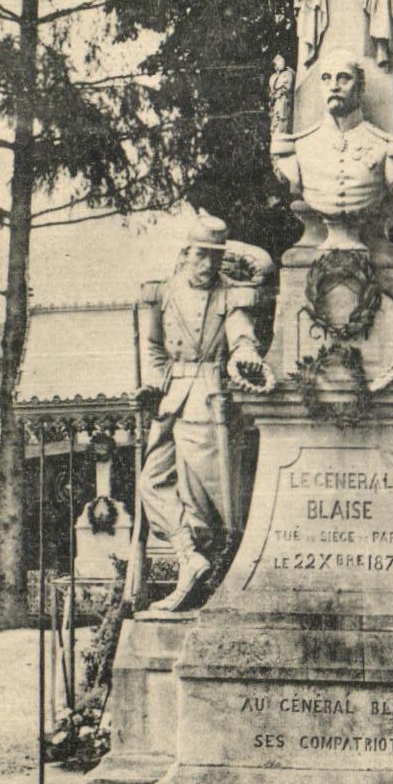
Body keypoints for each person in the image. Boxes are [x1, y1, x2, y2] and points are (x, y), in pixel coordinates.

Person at [137, 214, 272, 612]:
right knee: (151, 481)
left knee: (201, 498)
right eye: (201, 256)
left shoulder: (230, 295)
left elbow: (241, 336)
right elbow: (152, 347)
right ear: (184, 254)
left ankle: (194, 576)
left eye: (215, 257)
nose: (207, 265)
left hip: (209, 401)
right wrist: (156, 382)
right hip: (170, 401)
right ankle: (188, 557)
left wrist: (245, 356)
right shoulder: (160, 293)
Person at [270, 47, 393, 245]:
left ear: (360, 86)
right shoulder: (301, 147)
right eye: (326, 78)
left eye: (344, 78)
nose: (334, 86)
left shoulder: (385, 148)